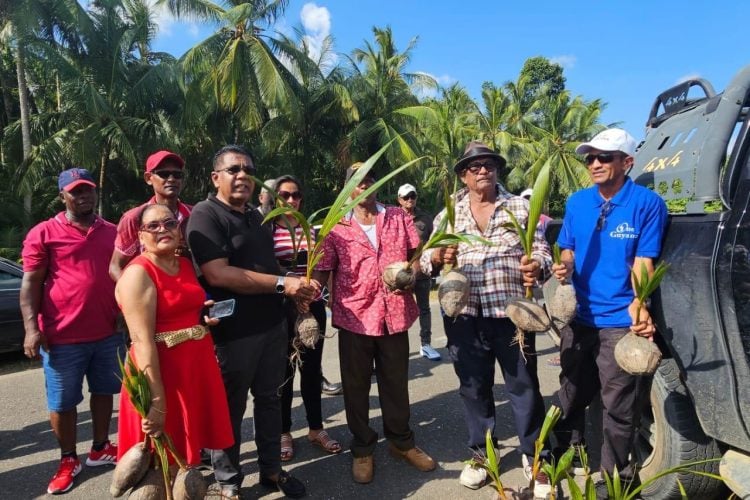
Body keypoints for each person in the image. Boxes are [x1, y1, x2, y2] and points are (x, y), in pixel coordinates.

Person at [420, 142, 551, 497]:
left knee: (523, 387)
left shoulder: (520, 207)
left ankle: (535, 458)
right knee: (473, 388)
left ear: (497, 170)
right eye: (474, 166)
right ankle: (481, 455)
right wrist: (437, 255)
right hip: (463, 316)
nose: (483, 170)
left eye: (489, 164)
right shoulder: (449, 213)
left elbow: (542, 251)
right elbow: (424, 261)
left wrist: (537, 265)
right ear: (463, 175)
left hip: (512, 315)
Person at [186, 145, 316, 500]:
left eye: (248, 170)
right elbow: (218, 272)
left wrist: (295, 289)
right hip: (234, 332)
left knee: (270, 400)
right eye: (233, 170)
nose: (242, 175)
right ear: (216, 177)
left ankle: (272, 470)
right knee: (230, 406)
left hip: (272, 325)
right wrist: (281, 284)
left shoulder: (256, 218)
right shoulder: (205, 215)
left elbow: (266, 267)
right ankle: (228, 481)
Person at [551, 128, 668, 498]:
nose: (595, 164)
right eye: (590, 158)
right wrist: (564, 266)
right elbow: (566, 248)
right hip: (579, 318)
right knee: (571, 393)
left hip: (619, 321)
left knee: (618, 407)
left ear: (626, 162)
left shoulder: (647, 203)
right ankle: (570, 450)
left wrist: (640, 303)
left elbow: (644, 260)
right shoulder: (577, 202)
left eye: (604, 157)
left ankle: (613, 478)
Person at [312, 163, 436, 485]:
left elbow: (416, 253)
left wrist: (413, 273)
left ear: (377, 184)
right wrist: (311, 290)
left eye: (369, 180)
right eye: (356, 182)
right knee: (356, 387)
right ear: (346, 189)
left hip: (394, 314)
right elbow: (324, 268)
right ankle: (363, 448)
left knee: (396, 382)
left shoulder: (397, 216)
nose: (363, 186)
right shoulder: (336, 225)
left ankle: (401, 442)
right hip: (354, 316)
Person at [20, 168, 122, 494]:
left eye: (88, 190)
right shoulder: (44, 233)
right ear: (63, 195)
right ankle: (68, 459)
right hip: (62, 337)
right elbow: (31, 284)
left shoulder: (113, 231)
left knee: (105, 391)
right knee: (62, 403)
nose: (83, 197)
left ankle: (100, 447)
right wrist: (30, 330)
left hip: (107, 332)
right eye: (75, 192)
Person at [115, 204, 233, 467]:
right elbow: (142, 341)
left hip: (193, 367)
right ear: (140, 235)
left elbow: (183, 307)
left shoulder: (184, 264)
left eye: (169, 223)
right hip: (161, 373)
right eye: (153, 226)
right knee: (160, 461)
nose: (163, 230)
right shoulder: (138, 274)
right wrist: (156, 401)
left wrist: (202, 319)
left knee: (185, 456)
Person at [270, 175, 342, 462]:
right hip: (280, 308)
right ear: (274, 198)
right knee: (283, 373)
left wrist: (314, 291)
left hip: (312, 306)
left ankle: (316, 428)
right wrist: (291, 290)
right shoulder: (265, 231)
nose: (291, 201)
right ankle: (283, 432)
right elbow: (266, 266)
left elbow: (323, 265)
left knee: (311, 370)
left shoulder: (313, 230)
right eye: (285, 195)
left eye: (296, 195)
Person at [109, 150, 192, 281]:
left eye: (177, 175)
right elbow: (115, 267)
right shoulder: (134, 218)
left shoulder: (194, 215)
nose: (171, 179)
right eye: (163, 174)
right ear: (148, 178)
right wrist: (134, 294)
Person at [396, 183, 440, 361]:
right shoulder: (392, 218)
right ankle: (399, 348)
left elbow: (433, 243)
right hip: (400, 274)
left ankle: (426, 344)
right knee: (399, 310)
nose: (410, 200)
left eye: (412, 196)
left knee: (424, 309)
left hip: (421, 272)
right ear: (399, 199)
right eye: (406, 197)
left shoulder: (425, 218)